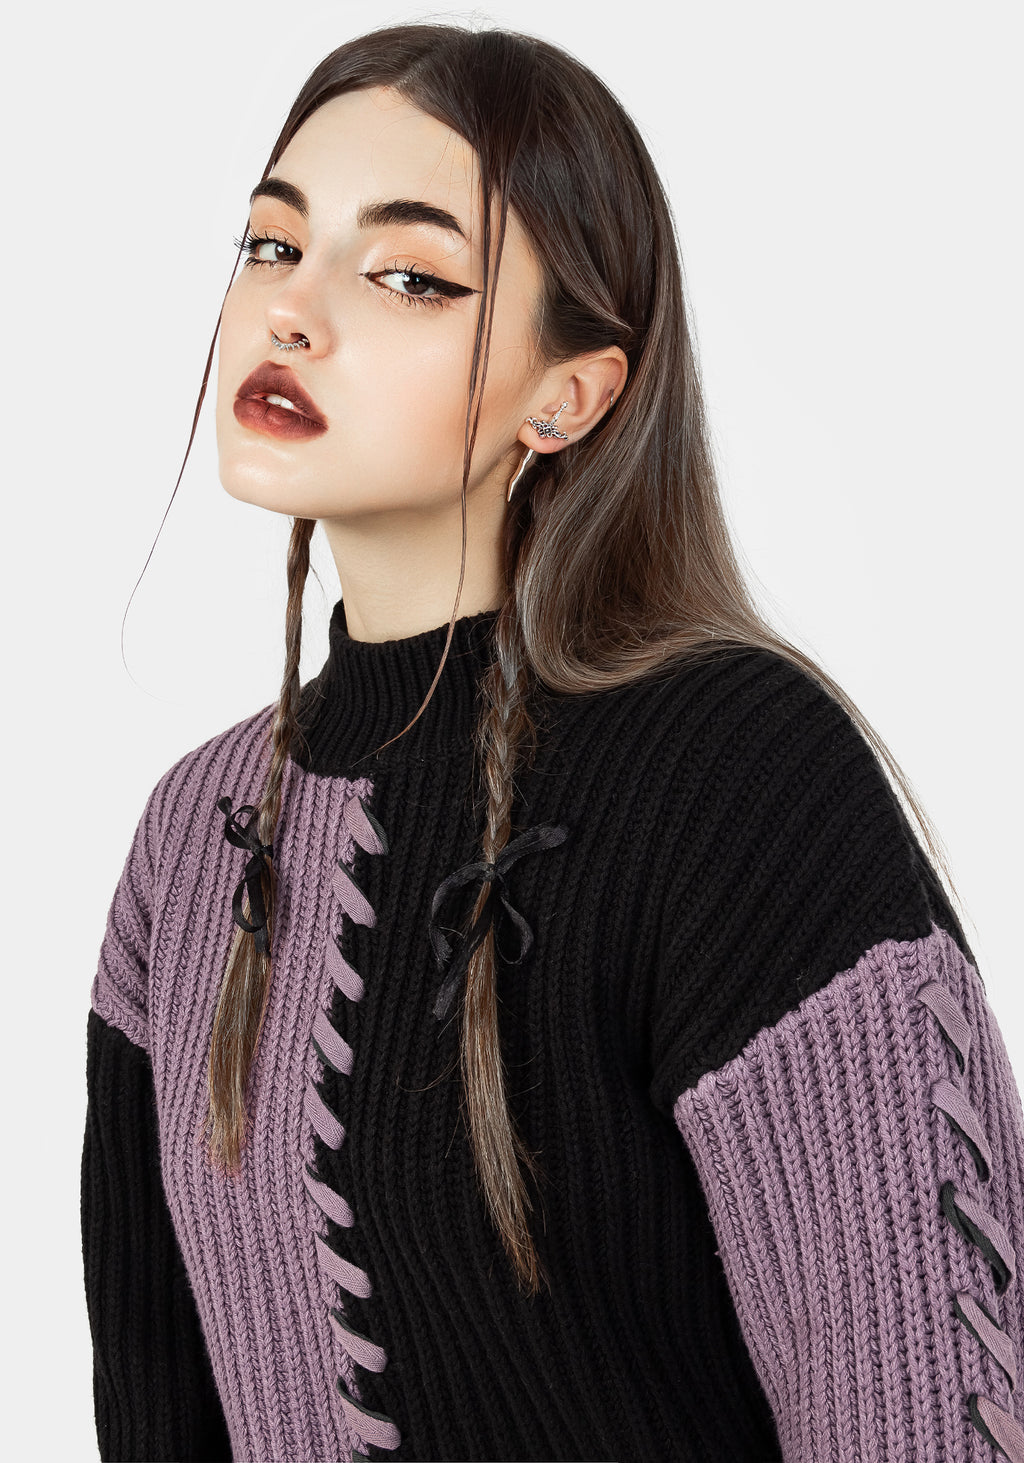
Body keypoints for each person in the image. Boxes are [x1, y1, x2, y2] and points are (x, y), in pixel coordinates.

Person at [79, 21, 1024, 1463]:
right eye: (272, 245)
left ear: (567, 394)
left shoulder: (734, 775)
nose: (292, 312)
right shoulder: (195, 842)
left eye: (408, 275)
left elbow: (929, 1417)